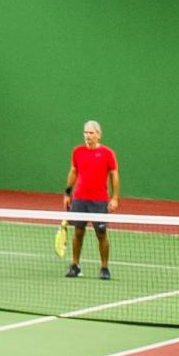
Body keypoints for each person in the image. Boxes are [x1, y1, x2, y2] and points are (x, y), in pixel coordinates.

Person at [63, 120, 120, 280]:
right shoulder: (77, 151)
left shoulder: (108, 153)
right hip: (80, 199)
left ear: (98, 135)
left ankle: (104, 268)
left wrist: (115, 198)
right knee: (78, 232)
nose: (87, 136)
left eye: (91, 133)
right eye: (85, 133)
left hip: (99, 201)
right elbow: (73, 171)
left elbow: (114, 175)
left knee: (101, 234)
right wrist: (67, 193)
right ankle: (75, 266)